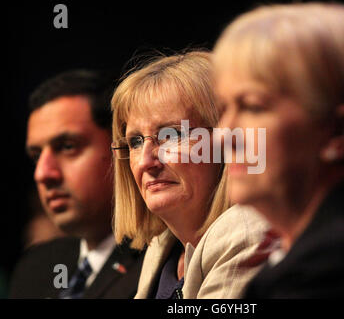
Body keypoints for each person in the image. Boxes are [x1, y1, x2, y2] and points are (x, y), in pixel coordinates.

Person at [213, 2, 344, 298]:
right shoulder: (307, 253)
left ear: (338, 133)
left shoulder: (340, 264)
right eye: (224, 109)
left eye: (252, 106)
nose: (222, 136)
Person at [111, 51, 272, 299]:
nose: (146, 161)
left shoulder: (248, 234)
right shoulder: (162, 249)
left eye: (172, 135)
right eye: (135, 141)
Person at [9, 69, 144, 299]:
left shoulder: (165, 264)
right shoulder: (34, 268)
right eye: (36, 156)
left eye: (68, 146)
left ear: (122, 146)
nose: (42, 174)